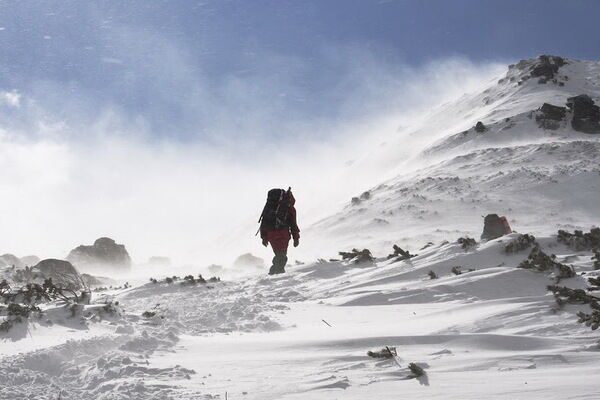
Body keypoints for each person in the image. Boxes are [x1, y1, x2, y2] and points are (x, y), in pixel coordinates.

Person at [258, 188, 300, 275]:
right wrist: (296, 237)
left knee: (279, 255)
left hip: (271, 234)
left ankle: (274, 273)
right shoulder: (289, 208)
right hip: (283, 233)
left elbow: (263, 222)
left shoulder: (268, 207)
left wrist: (264, 237)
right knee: (282, 256)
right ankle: (277, 274)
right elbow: (293, 224)